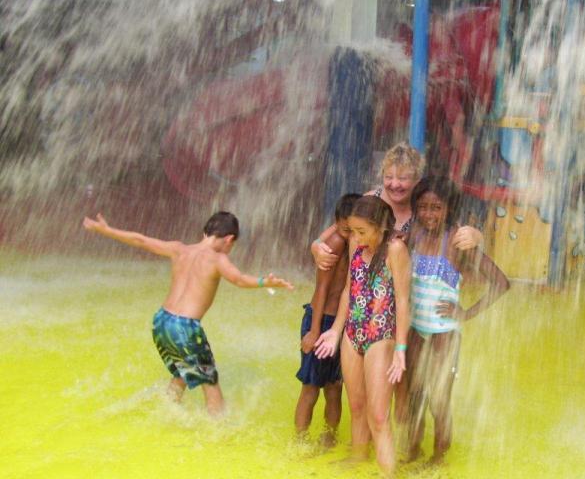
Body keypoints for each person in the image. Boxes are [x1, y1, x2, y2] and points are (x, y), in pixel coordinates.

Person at [82, 211, 293, 417]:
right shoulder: (217, 259)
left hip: (161, 321)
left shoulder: (179, 249)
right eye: (232, 245)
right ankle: (220, 432)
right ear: (229, 239)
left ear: (205, 233)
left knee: (182, 372)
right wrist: (264, 282)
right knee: (210, 382)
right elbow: (239, 279)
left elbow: (142, 241)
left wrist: (107, 231)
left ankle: (165, 413)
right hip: (184, 326)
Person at [404, 176, 512, 464]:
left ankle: (438, 457)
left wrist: (465, 313)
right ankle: (413, 450)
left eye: (436, 207)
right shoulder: (413, 236)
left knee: (439, 400)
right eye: (423, 207)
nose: (429, 214)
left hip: (444, 333)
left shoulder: (457, 243)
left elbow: (501, 283)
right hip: (415, 329)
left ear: (449, 209)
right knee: (414, 397)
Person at [314, 196, 411, 477]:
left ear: (380, 227)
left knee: (379, 415)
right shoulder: (357, 243)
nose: (355, 238)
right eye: (353, 231)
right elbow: (349, 289)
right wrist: (335, 330)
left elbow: (403, 301)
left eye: (361, 232)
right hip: (352, 332)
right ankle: (359, 457)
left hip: (380, 335)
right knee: (356, 405)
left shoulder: (395, 249)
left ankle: (388, 473)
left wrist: (401, 348)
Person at [311, 142, 483, 271]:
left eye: (402, 178)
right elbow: (338, 227)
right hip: (368, 289)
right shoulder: (370, 200)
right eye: (388, 177)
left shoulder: (425, 208)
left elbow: (457, 231)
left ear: (417, 179)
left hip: (405, 289)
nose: (394, 184)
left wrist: (476, 236)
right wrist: (316, 246)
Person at [294, 193, 360, 446]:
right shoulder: (333, 243)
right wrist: (312, 331)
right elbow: (321, 289)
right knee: (310, 387)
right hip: (321, 321)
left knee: (335, 388)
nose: (350, 234)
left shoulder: (359, 242)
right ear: (337, 223)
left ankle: (329, 437)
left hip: (341, 325)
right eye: (345, 229)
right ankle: (299, 440)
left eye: (354, 229)